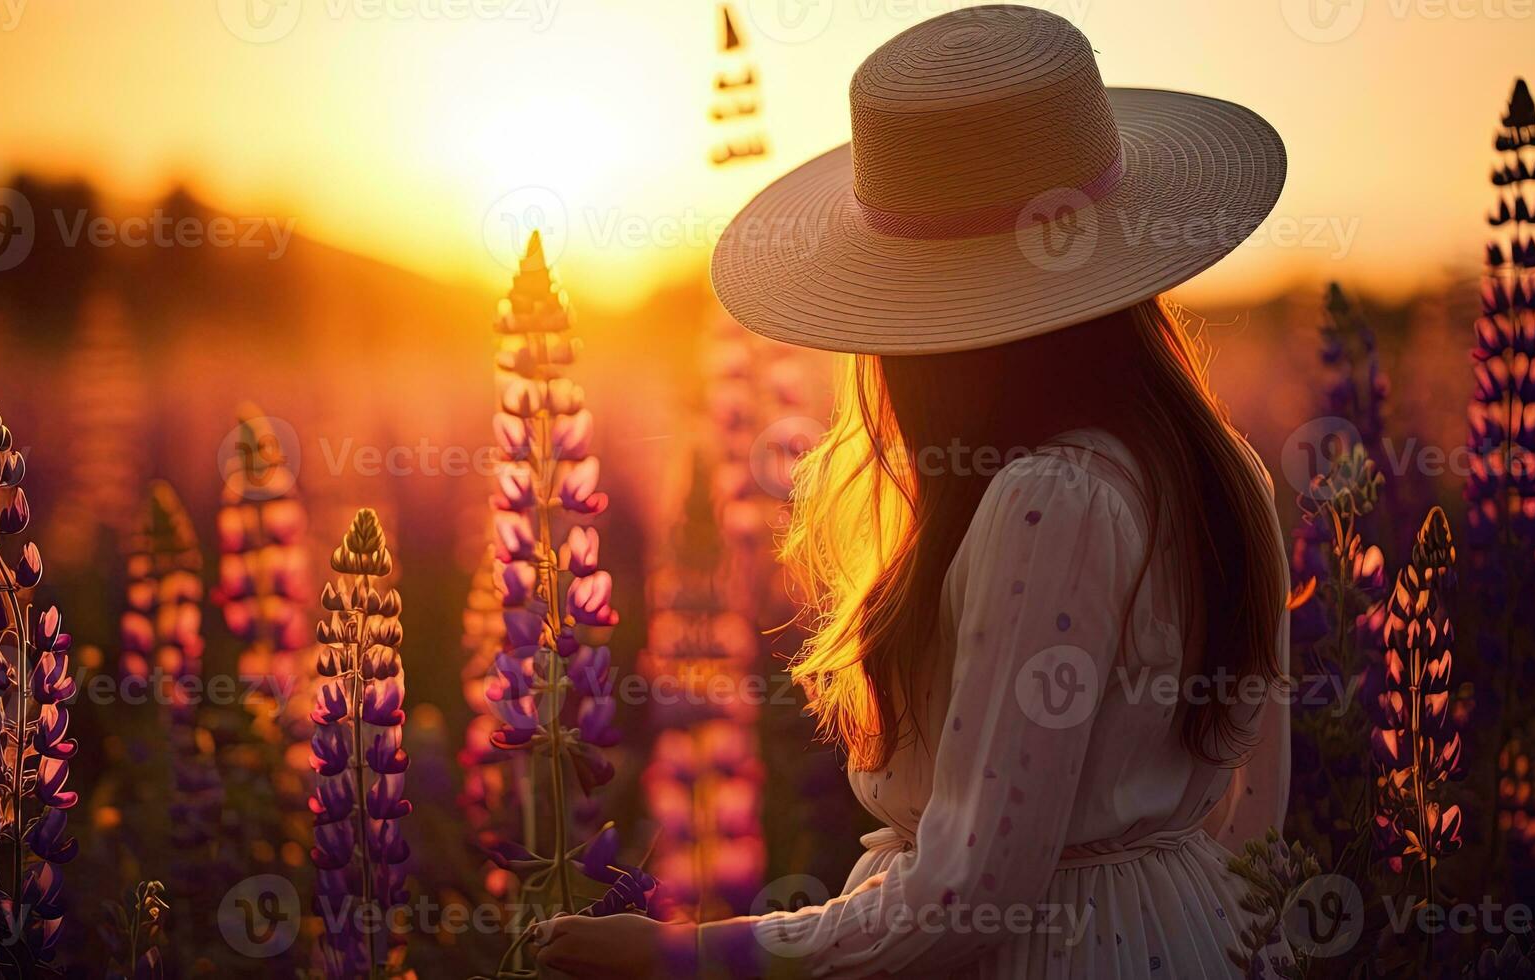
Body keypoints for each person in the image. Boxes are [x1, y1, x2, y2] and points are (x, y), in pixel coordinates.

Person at [532, 5, 1291, 977]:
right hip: (1195, 935)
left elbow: (973, 892)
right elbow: (1255, 827)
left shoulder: (1044, 503)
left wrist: (684, 958)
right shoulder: (1223, 467)